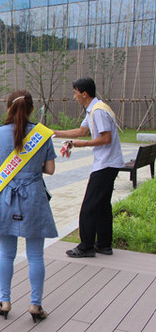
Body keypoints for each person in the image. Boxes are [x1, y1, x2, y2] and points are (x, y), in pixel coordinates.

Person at [0, 90, 57, 323]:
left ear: (8, 108)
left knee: (6, 253)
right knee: (36, 256)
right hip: (34, 197)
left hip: (6, 196)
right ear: (32, 109)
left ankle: (4, 301)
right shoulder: (42, 134)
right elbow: (51, 169)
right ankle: (36, 305)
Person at [53, 77, 124, 258]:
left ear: (84, 93)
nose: (74, 96)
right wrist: (53, 133)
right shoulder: (93, 109)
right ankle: (104, 245)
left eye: (75, 93)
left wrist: (80, 145)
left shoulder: (98, 111)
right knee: (102, 205)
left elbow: (105, 138)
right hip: (108, 163)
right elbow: (81, 131)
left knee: (89, 207)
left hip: (106, 164)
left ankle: (86, 247)